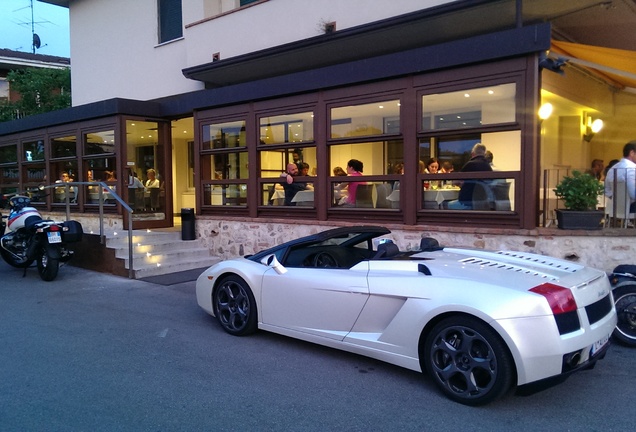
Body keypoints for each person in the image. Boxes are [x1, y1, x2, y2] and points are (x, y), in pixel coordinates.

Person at [448, 143, 492, 209]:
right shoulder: (488, 167)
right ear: (484, 154)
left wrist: (463, 184)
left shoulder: (470, 164)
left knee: (447, 204)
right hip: (482, 202)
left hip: (467, 201)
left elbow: (455, 181)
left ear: (472, 154)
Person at [604, 141, 636, 212]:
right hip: (631, 208)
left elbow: (606, 191)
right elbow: (633, 194)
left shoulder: (613, 168)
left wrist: (617, 200)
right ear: (632, 153)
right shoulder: (632, 168)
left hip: (614, 208)